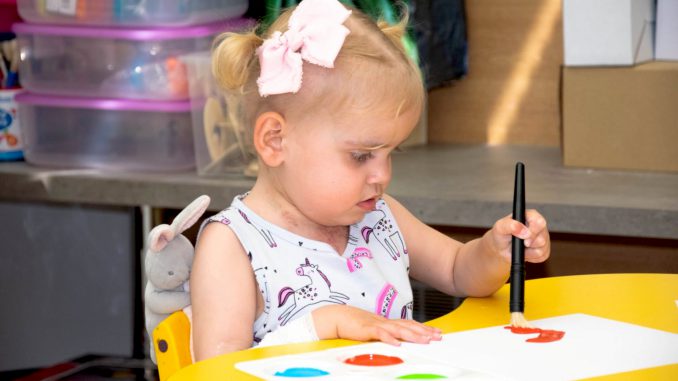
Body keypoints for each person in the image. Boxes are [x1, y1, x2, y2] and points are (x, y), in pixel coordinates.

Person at [190, 0, 551, 362]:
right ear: (275, 140)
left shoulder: (378, 216)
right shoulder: (233, 244)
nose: (383, 175)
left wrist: (495, 251)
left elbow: (458, 271)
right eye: (361, 155)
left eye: (391, 152)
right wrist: (322, 324)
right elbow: (216, 368)